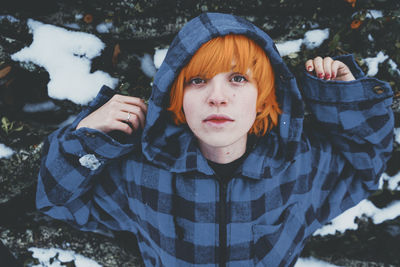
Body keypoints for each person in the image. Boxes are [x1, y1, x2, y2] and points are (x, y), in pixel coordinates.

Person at [36, 12, 394, 267]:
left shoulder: (299, 166)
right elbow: (57, 201)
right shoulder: (142, 175)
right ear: (174, 97)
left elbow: (365, 168)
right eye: (197, 80)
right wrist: (88, 136)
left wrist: (343, 96)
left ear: (265, 95)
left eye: (238, 79)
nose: (217, 97)